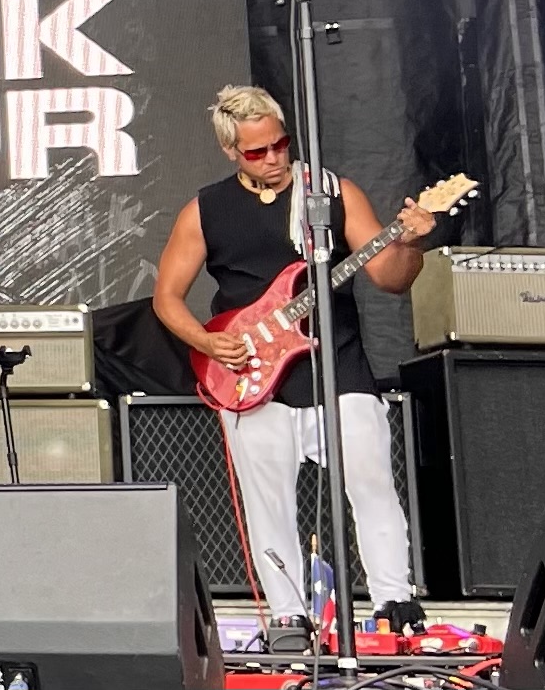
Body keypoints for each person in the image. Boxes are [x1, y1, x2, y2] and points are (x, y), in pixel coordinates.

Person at [151, 85, 436, 644]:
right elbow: (167, 298)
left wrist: (412, 245)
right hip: (251, 374)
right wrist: (208, 345)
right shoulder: (205, 209)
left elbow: (390, 280)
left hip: (339, 363)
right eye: (258, 152)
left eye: (281, 144)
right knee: (268, 503)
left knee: (374, 481)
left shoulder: (329, 191)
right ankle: (288, 618)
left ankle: (393, 601)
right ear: (232, 151)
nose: (275, 158)